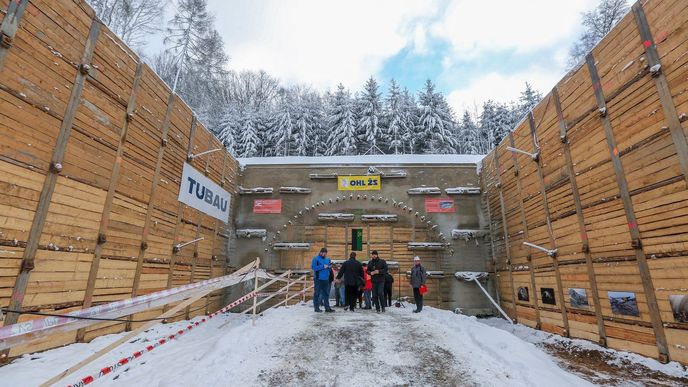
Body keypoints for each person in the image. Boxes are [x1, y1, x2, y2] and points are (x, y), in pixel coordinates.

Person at [311, 247, 335, 313]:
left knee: (326, 294)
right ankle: (316, 308)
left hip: (326, 279)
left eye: (325, 253)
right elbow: (313, 267)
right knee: (317, 294)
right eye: (323, 253)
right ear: (320, 252)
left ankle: (327, 308)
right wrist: (322, 266)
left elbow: (329, 269)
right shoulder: (315, 259)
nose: (324, 254)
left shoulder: (327, 259)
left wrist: (330, 267)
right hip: (318, 279)